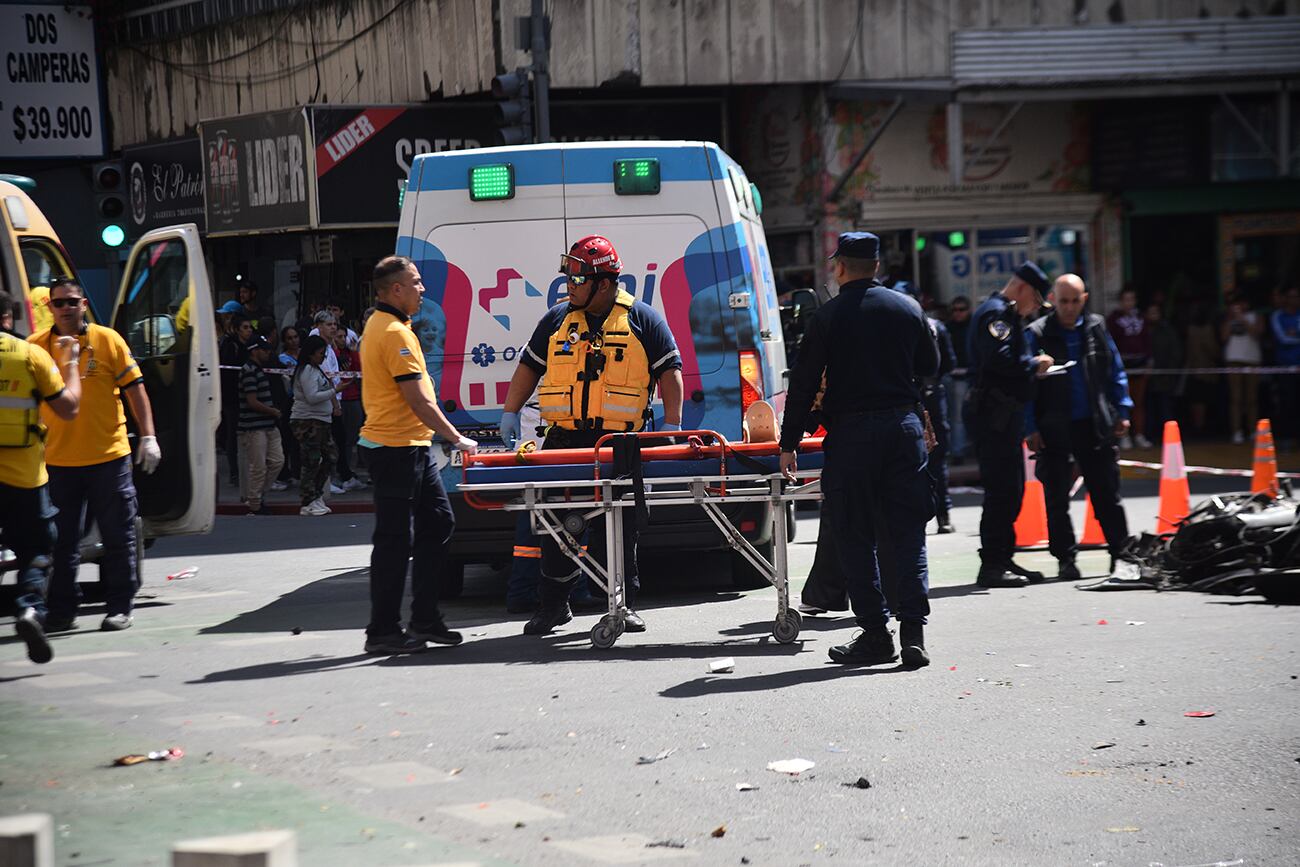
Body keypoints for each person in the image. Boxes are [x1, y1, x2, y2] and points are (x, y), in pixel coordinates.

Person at [498, 235, 684, 637]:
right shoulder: (556, 320)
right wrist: (511, 410)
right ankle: (554, 606)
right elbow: (529, 367)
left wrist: (672, 424)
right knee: (557, 527)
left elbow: (670, 372)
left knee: (618, 528)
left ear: (603, 283)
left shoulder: (643, 319)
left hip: (620, 446)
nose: (569, 287)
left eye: (577, 280)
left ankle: (622, 606)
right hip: (564, 443)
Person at [779, 232, 939, 667]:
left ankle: (874, 633)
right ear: (876, 265)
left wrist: (788, 442)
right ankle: (912, 635)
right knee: (907, 534)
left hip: (852, 435)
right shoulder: (908, 309)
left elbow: (804, 384)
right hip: (902, 430)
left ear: (842, 266)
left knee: (853, 534)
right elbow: (932, 366)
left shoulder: (829, 317)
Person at [358, 255, 477, 655]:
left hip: (411, 447)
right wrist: (456, 437)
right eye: (416, 282)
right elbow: (418, 399)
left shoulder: (390, 326)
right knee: (393, 542)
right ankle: (383, 631)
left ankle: (425, 618)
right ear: (396, 290)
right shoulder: (392, 331)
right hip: (395, 449)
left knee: (439, 524)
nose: (422, 289)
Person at [31, 278, 160, 633]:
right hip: (58, 461)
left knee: (118, 536)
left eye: (73, 302)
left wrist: (148, 436)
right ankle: (62, 611)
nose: (67, 309)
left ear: (84, 304)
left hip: (109, 457)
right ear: (50, 307)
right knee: (62, 543)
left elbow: (136, 391)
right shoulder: (36, 347)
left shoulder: (108, 340)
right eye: (59, 303)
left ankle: (120, 606)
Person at [1025, 275, 1133, 581]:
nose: (1069, 307)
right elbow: (1028, 387)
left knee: (1106, 493)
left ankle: (1121, 554)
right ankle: (1065, 559)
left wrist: (1122, 410)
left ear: (1084, 299)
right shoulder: (1037, 333)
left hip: (1094, 424)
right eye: (1064, 301)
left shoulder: (1096, 328)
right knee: (1056, 499)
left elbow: (1115, 371)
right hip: (1054, 427)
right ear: (1052, 300)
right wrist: (1030, 427)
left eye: (1075, 301)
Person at [1, 290, 81, 662]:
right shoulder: (30, 354)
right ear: (8, 317)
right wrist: (71, 366)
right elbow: (68, 408)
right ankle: (30, 608)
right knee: (35, 549)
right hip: (24, 479)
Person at [965, 262, 1055, 589]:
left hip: (1003, 415)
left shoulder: (1006, 314)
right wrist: (1034, 363)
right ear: (1023, 290)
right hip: (994, 415)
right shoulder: (997, 315)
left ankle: (1002, 556)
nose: (1035, 308)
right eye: (1036, 300)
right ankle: (992, 564)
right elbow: (998, 359)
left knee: (1011, 490)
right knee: (1002, 491)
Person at [291, 334, 345, 516]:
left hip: (322, 420)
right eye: (320, 353)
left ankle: (316, 494)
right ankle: (307, 501)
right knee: (311, 460)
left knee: (330, 457)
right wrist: (335, 390)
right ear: (311, 353)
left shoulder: (317, 370)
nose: (323, 357)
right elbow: (312, 397)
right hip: (308, 421)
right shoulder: (306, 370)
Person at [238, 335, 285, 515]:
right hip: (254, 426)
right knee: (258, 466)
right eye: (264, 350)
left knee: (277, 461)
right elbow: (252, 401)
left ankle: (257, 495)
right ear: (254, 351)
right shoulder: (249, 370)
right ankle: (255, 503)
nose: (268, 353)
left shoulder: (259, 369)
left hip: (267, 425)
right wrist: (272, 411)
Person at [1106, 288, 1152, 448]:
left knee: (1139, 402)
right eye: (1125, 299)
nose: (1129, 303)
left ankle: (1139, 434)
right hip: (1122, 366)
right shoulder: (1113, 320)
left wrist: (1149, 361)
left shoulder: (1141, 318)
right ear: (1120, 301)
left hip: (1140, 364)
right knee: (1123, 400)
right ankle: (1124, 436)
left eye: (1131, 299)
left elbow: (1147, 340)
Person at [1221, 295, 1264, 444]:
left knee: (1252, 398)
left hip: (1252, 360)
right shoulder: (1228, 318)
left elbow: (1257, 333)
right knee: (1236, 398)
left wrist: (1243, 319)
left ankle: (1253, 431)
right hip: (1233, 359)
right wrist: (1231, 319)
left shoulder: (1255, 316)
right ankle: (1237, 432)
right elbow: (1223, 337)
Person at [218, 307, 251, 486]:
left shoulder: (249, 345)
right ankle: (234, 472)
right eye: (245, 327)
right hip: (232, 397)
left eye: (249, 327)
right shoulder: (230, 345)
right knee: (233, 434)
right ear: (237, 329)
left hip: (247, 396)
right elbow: (227, 372)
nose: (248, 331)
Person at [1145, 303, 1183, 442]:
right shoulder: (1143, 330)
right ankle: (1148, 436)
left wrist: (1169, 371)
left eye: (1155, 312)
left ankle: (1168, 438)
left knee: (1165, 408)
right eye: (1150, 312)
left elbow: (1175, 353)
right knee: (1148, 409)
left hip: (1165, 377)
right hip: (1147, 378)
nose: (1153, 315)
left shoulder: (1168, 331)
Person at [1269, 286, 1300, 447]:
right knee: (1287, 403)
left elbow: (1290, 338)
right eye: (1292, 296)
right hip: (1285, 367)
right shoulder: (1278, 316)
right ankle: (1286, 438)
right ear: (1286, 298)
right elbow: (1283, 339)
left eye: (1297, 296)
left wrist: (1293, 334)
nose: (1295, 300)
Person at [946, 295, 973, 461]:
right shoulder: (948, 328)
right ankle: (958, 451)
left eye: (961, 309)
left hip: (970, 375)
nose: (958, 313)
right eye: (954, 310)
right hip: (954, 377)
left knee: (961, 416)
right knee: (956, 417)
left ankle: (962, 449)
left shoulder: (973, 327)